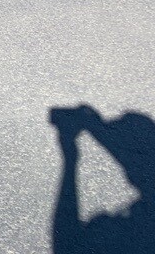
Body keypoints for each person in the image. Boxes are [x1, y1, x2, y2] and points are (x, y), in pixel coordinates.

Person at [50, 104, 154, 253]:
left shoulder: (136, 228)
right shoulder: (133, 225)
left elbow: (65, 246)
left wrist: (97, 129)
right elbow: (67, 246)